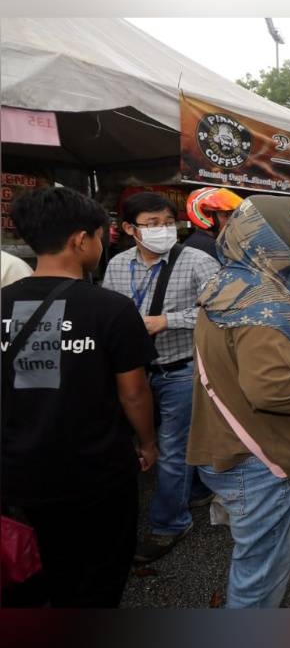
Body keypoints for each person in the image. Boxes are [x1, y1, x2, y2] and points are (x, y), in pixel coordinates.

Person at [187, 195, 290, 608]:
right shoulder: (260, 305)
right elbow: (270, 387)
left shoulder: (234, 284)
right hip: (256, 461)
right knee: (260, 580)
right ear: (267, 237)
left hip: (232, 447)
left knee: (254, 564)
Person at [2, 187, 157, 607]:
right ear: (79, 240)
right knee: (101, 577)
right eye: (99, 235)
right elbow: (134, 393)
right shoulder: (110, 309)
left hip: (18, 474)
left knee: (42, 575)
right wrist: (147, 442)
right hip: (97, 473)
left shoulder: (3, 303)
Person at [102, 192, 220, 564]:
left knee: (172, 449)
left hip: (180, 368)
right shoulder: (117, 266)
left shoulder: (198, 261)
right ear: (129, 229)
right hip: (133, 372)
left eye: (167, 223)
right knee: (152, 442)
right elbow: (107, 314)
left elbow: (221, 310)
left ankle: (170, 522)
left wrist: (168, 320)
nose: (162, 230)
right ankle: (198, 487)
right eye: (152, 225)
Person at [183, 186, 243, 262]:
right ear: (206, 215)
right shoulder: (207, 245)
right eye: (226, 215)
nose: (232, 220)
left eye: (233, 215)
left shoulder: (202, 240)